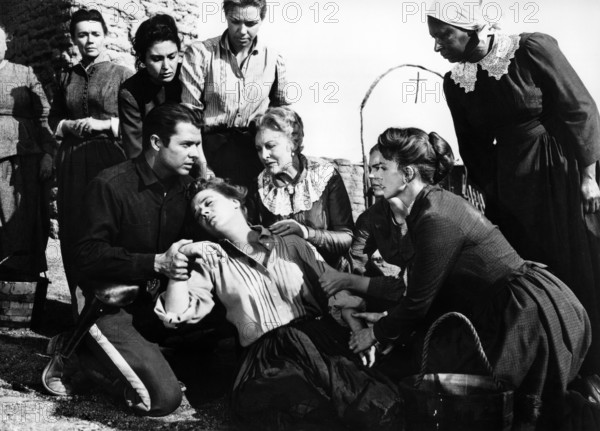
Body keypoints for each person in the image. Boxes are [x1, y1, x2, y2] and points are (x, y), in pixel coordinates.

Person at [344, 127, 590, 428]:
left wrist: (374, 333)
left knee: (500, 409)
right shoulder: (426, 206)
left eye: (382, 168)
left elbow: (418, 303)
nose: (373, 175)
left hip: (525, 313)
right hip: (496, 307)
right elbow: (429, 294)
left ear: (407, 174)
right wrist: (386, 322)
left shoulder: (435, 217)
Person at [426, 0, 600, 385]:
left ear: (470, 27)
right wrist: (489, 196)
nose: (437, 46)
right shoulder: (456, 82)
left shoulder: (530, 50)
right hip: (509, 184)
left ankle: (589, 368)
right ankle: (545, 361)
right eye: (433, 38)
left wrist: (589, 176)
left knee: (572, 264)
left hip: (555, 170)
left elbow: (581, 108)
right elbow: (471, 146)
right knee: (528, 272)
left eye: (443, 36)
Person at [155, 177, 400, 430]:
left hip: (318, 342)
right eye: (197, 214)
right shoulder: (210, 261)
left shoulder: (290, 242)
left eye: (208, 202)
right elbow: (174, 314)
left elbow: (333, 288)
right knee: (299, 410)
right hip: (266, 358)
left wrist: (356, 326)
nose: (203, 212)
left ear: (234, 202)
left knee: (369, 406)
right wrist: (179, 263)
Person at [42, 103, 210, 417]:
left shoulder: (185, 188)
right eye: (187, 145)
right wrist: (156, 263)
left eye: (198, 145)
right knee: (162, 398)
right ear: (157, 143)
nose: (195, 154)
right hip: (106, 305)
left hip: (153, 306)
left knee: (217, 362)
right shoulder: (110, 184)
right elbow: (86, 256)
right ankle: (79, 354)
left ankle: (97, 348)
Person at [48, 8, 133, 314]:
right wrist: (66, 127)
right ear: (73, 39)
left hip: (108, 158)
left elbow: (135, 122)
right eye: (82, 34)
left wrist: (103, 125)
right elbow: (54, 118)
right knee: (73, 228)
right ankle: (78, 310)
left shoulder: (123, 75)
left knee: (105, 228)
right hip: (72, 159)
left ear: (105, 36)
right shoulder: (65, 76)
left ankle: (109, 313)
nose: (89, 40)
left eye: (95, 34)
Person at [180, 0, 291, 190]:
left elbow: (283, 116)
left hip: (255, 153)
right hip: (209, 150)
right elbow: (189, 116)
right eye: (235, 21)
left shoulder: (272, 60)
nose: (242, 31)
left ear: (261, 19)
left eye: (251, 24)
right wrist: (203, 166)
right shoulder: (201, 54)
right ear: (226, 16)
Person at [253, 107, 354, 268]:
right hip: (287, 275)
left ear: (293, 143)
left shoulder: (324, 175)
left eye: (270, 146)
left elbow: (346, 237)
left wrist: (306, 233)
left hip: (333, 273)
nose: (263, 155)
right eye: (259, 148)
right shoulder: (260, 186)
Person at [0, 23, 55, 280]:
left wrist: (47, 153)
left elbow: (44, 115)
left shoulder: (24, 73)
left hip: (25, 157)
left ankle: (22, 280)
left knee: (24, 217)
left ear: (6, 44)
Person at [119, 14, 183, 159]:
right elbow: (135, 151)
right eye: (157, 59)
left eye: (172, 57)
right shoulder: (130, 92)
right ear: (143, 59)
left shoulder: (189, 78)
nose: (166, 66)